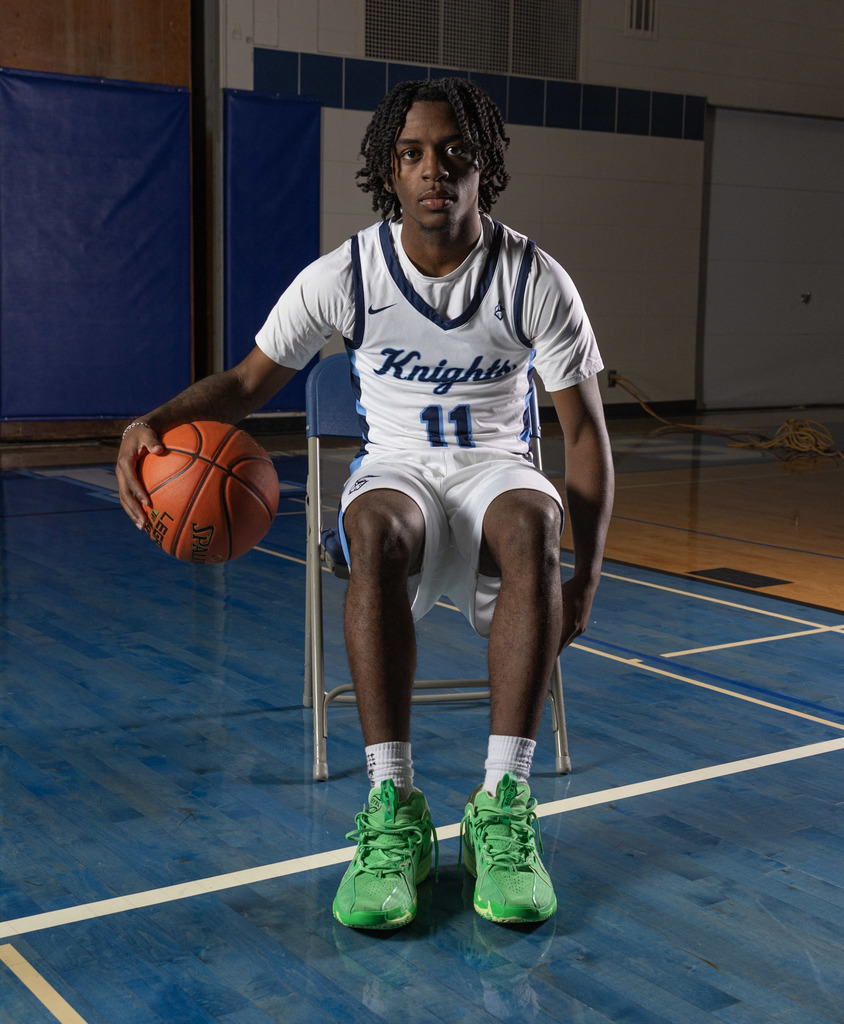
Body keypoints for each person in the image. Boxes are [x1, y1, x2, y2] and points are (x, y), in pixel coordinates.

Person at [116, 77, 614, 931]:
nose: (435, 171)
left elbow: (588, 434)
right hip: (399, 471)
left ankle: (503, 805)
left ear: (483, 163)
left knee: (533, 522)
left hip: (498, 468)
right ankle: (395, 808)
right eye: (413, 153)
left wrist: (589, 578)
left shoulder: (534, 277)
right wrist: (155, 422)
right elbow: (244, 383)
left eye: (455, 151)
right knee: (372, 527)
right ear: (388, 169)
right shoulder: (346, 275)